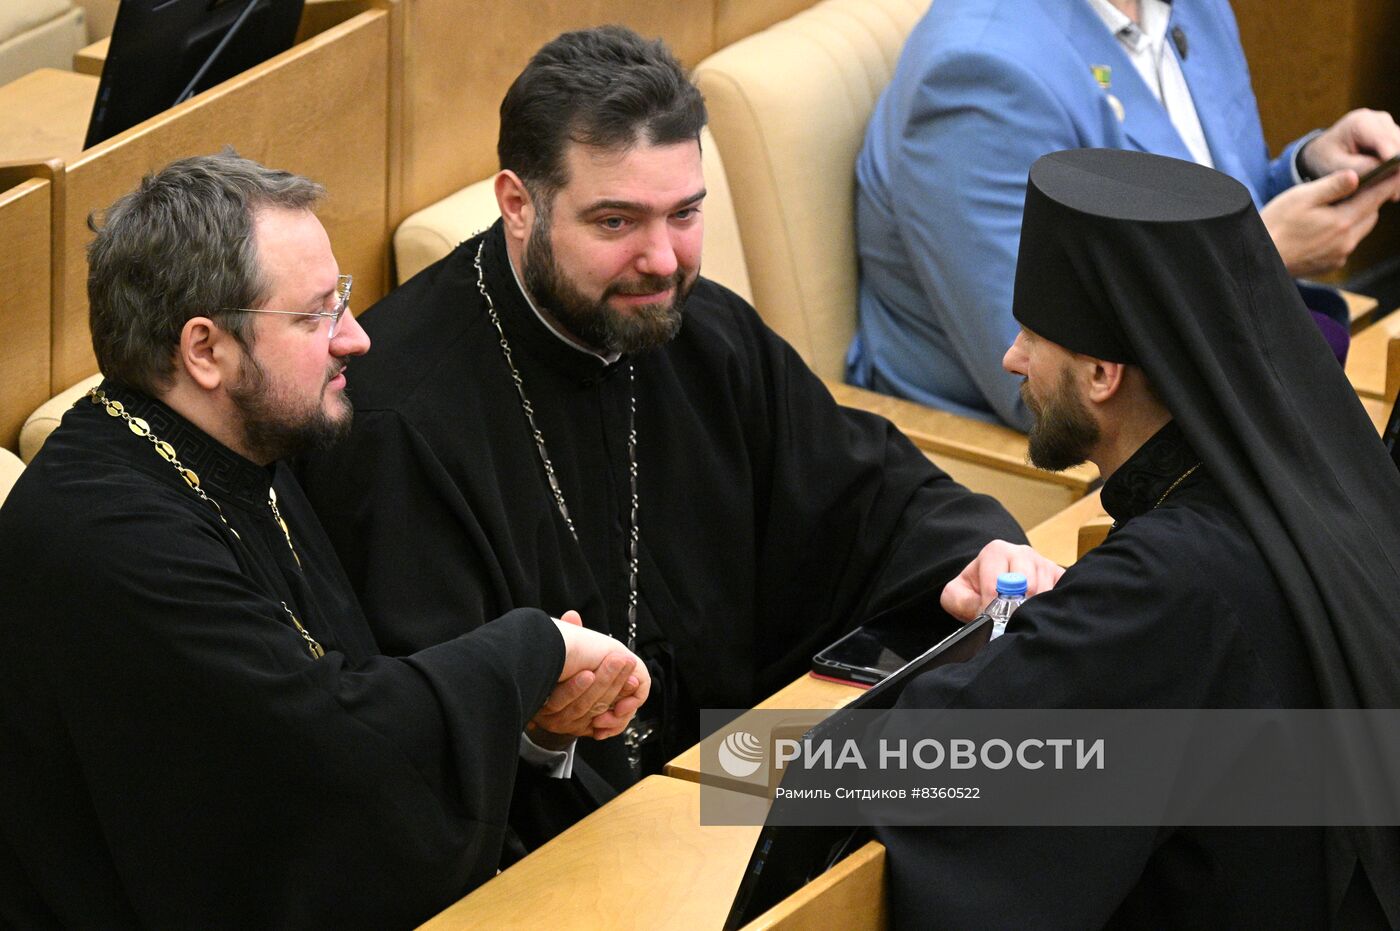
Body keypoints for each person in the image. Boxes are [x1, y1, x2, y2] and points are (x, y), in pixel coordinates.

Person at [298, 25, 1038, 815]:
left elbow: (871, 498)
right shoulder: (397, 420)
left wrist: (978, 553)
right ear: (518, 204)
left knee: (1093, 775)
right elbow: (423, 734)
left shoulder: (699, 328)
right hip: (558, 842)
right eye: (616, 222)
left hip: (745, 781)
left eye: (684, 213)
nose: (662, 259)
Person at [0, 152, 652, 929]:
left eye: (340, 300)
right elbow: (321, 761)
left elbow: (350, 698)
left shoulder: (244, 450)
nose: (356, 339)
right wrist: (531, 648)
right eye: (315, 314)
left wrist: (534, 714)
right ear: (205, 350)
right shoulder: (108, 540)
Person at [879, 148, 1400, 928]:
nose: (1011, 358)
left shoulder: (1166, 582)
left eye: (1031, 334)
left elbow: (922, 770)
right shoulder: (1324, 474)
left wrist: (1017, 635)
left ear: (1101, 373)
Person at [848, 0, 1400, 430]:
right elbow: (1043, 386)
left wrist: (1311, 171)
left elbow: (1212, 201)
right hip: (1050, 474)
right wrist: (1257, 256)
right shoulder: (978, 73)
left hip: (1230, 392)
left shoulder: (1192, 9)